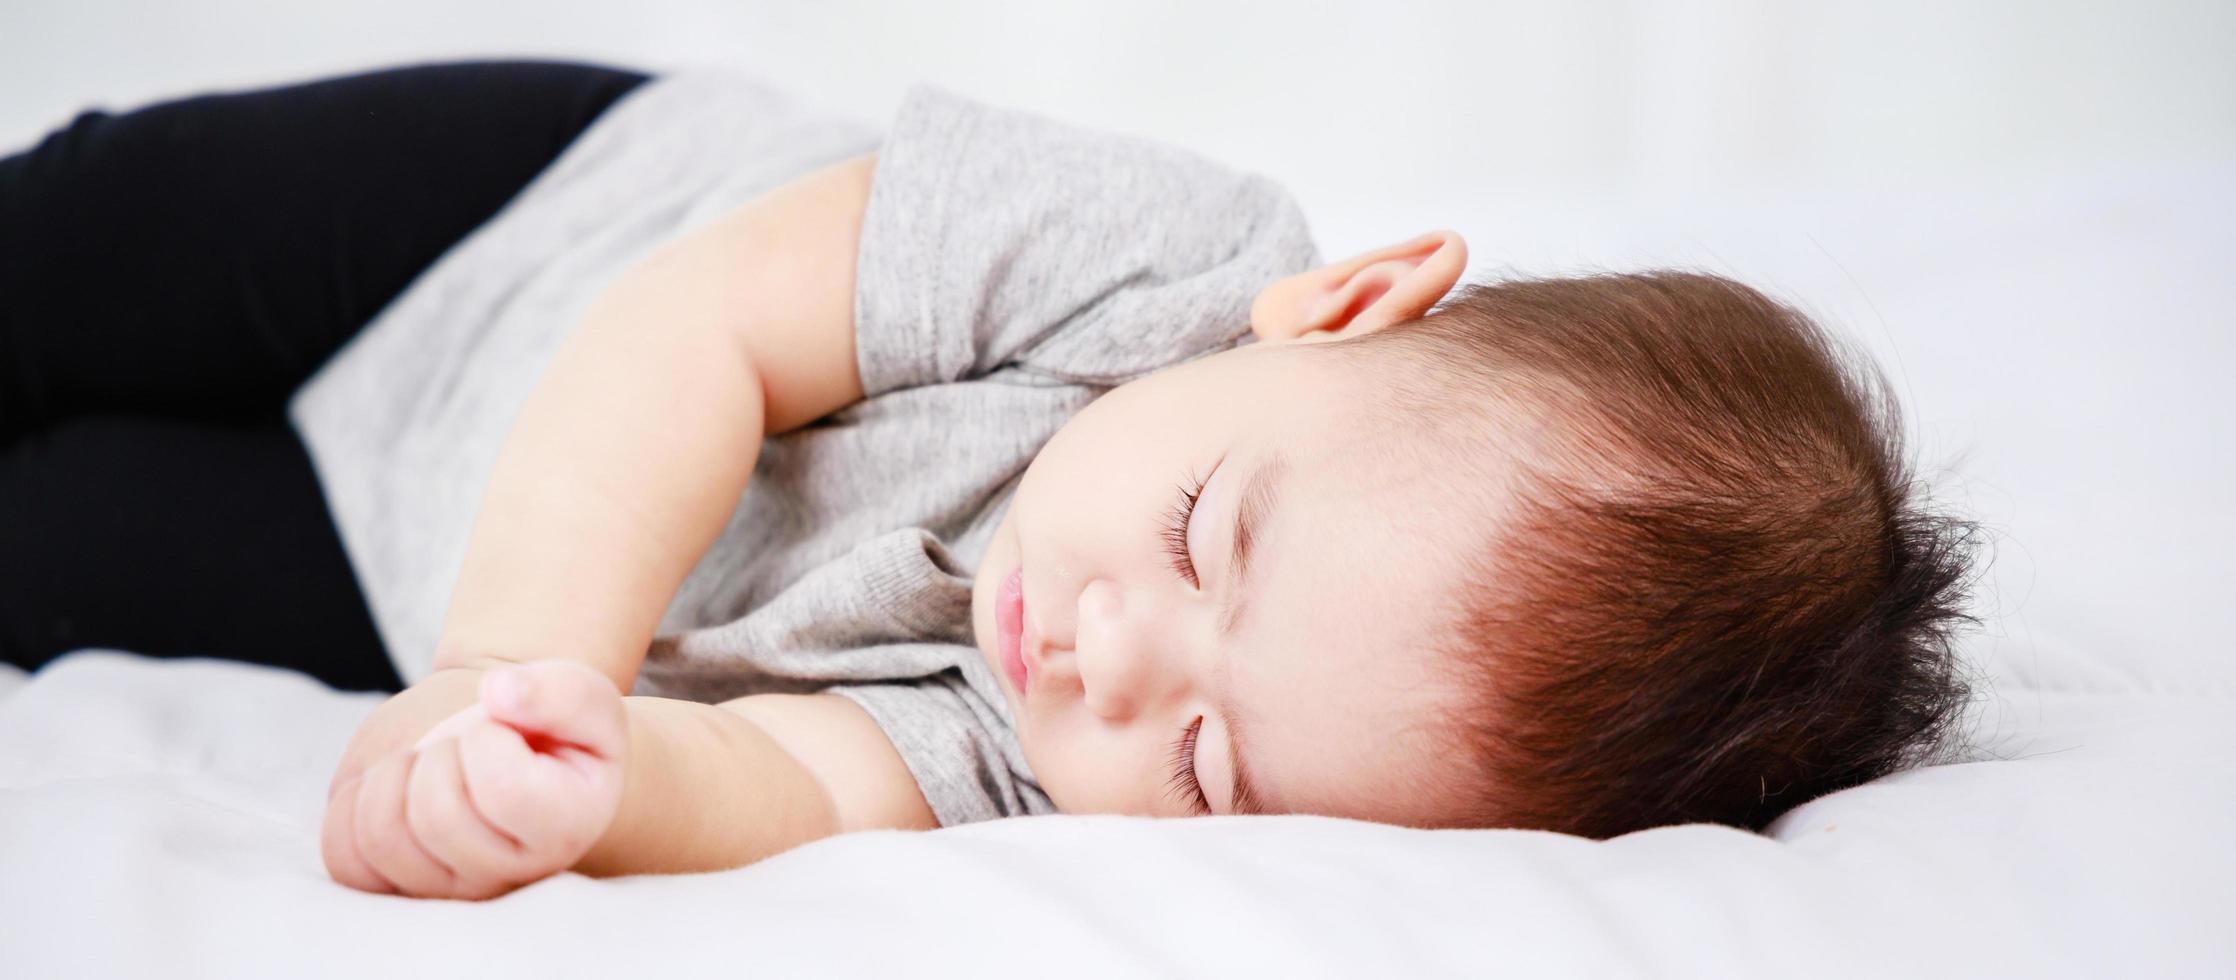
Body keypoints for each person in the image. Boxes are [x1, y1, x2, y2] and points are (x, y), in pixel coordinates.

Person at [1, 60, 1980, 902]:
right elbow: (691, 332)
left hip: (401, 572)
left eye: (1210, 763)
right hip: (523, 229)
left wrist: (575, 772)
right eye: (1211, 529)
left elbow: (780, 786)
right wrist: (527, 646)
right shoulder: (1160, 257)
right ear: (1347, 307)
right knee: (73, 237)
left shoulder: (1045, 763)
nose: (1105, 656)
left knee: (54, 543)